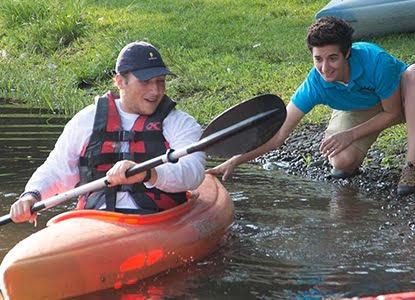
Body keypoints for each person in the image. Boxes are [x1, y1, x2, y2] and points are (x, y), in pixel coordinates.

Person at [207, 16, 415, 196]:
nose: (325, 68)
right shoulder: (313, 85)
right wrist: (235, 161)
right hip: (361, 108)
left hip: (403, 100)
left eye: (333, 58)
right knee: (341, 162)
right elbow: (279, 136)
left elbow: (392, 112)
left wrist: (349, 135)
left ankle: (411, 166)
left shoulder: (375, 61)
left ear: (347, 53)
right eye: (318, 59)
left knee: (412, 75)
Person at [10, 41, 206, 223]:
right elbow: (57, 170)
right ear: (120, 81)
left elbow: (193, 173)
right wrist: (31, 196)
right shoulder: (87, 120)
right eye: (145, 82)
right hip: (95, 219)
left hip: (157, 220)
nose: (156, 90)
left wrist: (149, 173)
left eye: (161, 81)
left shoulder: (179, 123)